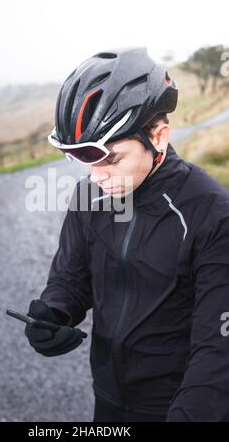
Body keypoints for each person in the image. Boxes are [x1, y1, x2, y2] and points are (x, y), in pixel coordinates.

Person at [24, 48, 229, 422]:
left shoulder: (212, 213)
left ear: (159, 137)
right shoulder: (90, 195)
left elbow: (218, 347)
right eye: (85, 161)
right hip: (108, 395)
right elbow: (71, 276)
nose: (97, 176)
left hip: (176, 405)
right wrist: (54, 312)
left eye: (111, 159)